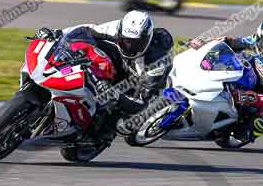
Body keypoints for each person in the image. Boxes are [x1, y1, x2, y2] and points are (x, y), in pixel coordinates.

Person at [35, 10, 173, 138]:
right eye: (125, 40)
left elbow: (142, 103)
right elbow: (85, 30)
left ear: (146, 39)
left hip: (139, 83)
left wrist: (115, 94)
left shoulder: (156, 63)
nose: (129, 46)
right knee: (86, 48)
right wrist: (57, 33)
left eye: (135, 43)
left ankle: (100, 134)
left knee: (123, 124)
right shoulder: (114, 28)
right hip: (118, 62)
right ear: (120, 32)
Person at [190, 18, 263, 141]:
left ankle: (247, 133)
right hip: (259, 67)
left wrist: (249, 97)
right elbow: (233, 43)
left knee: (260, 124)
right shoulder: (262, 40)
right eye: (262, 42)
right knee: (231, 61)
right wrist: (205, 44)